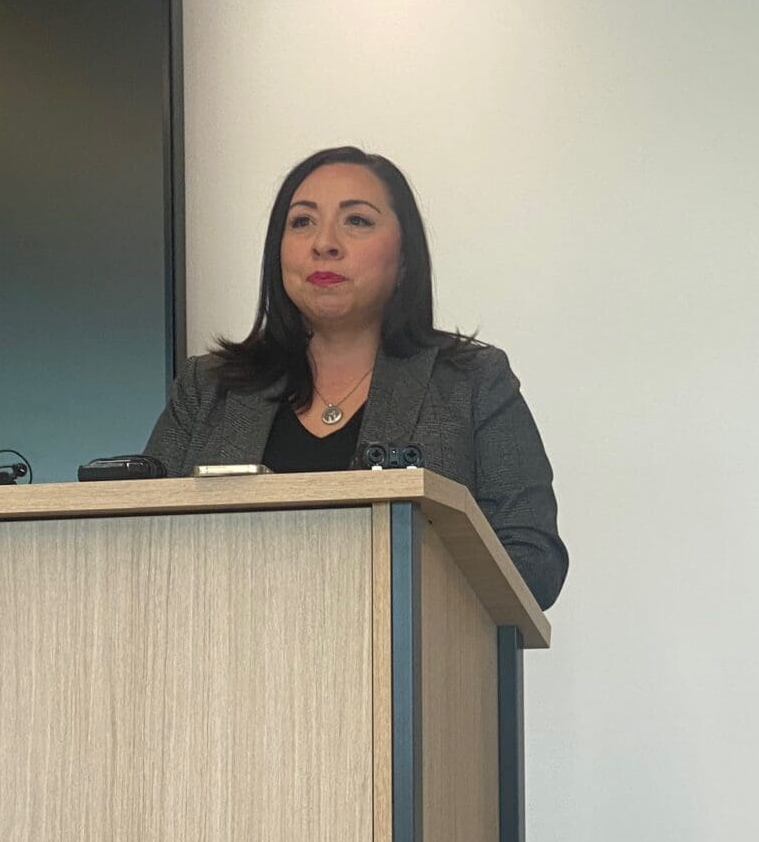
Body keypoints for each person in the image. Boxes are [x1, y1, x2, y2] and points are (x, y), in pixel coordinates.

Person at [144, 146, 567, 610]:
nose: (324, 243)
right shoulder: (209, 387)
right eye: (302, 222)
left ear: (405, 257)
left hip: (408, 671)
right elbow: (139, 551)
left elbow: (533, 563)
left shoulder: (470, 382)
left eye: (357, 221)